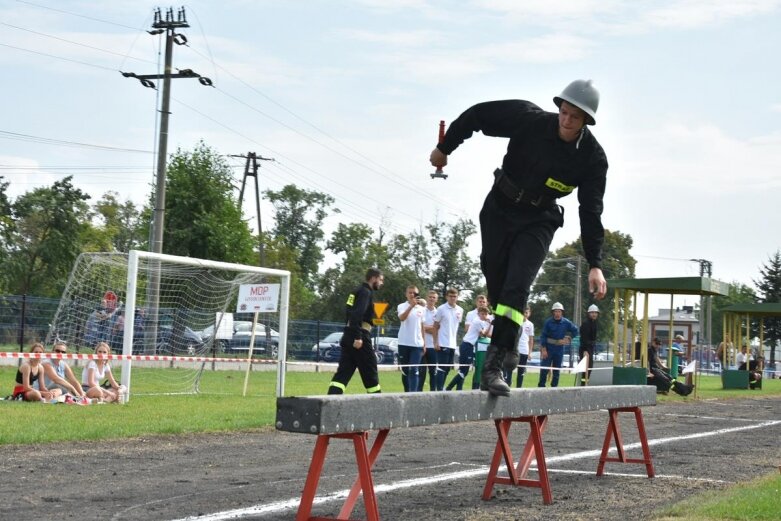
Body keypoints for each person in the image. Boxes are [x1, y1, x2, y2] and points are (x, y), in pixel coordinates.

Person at [429, 79, 608, 396]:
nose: (566, 122)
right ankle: (507, 341)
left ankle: (494, 367)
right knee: (495, 277)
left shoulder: (592, 158)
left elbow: (590, 212)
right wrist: (445, 149)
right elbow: (477, 116)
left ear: (586, 121)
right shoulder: (529, 119)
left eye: (574, 118)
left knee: (518, 284)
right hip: (499, 208)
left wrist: (595, 263)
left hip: (539, 220)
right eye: (564, 113)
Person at [327, 268, 384, 395]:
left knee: (342, 374)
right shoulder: (366, 292)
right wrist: (358, 337)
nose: (381, 283)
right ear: (373, 278)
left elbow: (349, 313)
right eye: (380, 280)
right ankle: (379, 406)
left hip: (348, 334)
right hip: (360, 336)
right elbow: (357, 315)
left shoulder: (355, 291)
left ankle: (331, 401)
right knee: (370, 370)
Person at [447, 306, 490, 390]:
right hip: (467, 346)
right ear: (478, 314)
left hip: (467, 345)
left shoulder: (481, 321)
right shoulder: (478, 321)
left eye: (486, 314)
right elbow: (483, 334)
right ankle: (448, 388)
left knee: (462, 370)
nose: (484, 316)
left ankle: (458, 390)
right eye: (482, 314)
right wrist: (490, 324)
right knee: (464, 371)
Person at [538, 302, 579, 388]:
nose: (557, 313)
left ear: (562, 312)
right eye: (555, 311)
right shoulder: (548, 322)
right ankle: (541, 387)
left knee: (557, 370)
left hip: (559, 349)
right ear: (553, 312)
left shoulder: (566, 322)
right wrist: (544, 349)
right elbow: (543, 336)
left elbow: (576, 331)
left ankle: (554, 388)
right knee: (544, 369)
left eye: (559, 311)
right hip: (548, 349)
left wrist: (569, 338)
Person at [396, 285, 427, 392]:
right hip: (404, 343)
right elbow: (402, 318)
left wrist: (424, 343)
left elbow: (422, 326)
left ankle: (413, 394)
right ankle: (407, 392)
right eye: (410, 292)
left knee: (414, 369)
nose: (412, 295)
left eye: (415, 293)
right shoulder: (401, 306)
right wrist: (411, 307)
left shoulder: (422, 309)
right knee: (405, 371)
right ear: (406, 294)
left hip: (417, 344)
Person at [433, 288, 464, 391]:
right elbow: (435, 326)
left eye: (454, 296)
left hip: (452, 344)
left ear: (457, 297)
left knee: (448, 368)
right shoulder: (441, 309)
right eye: (450, 296)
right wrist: (435, 342)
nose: (452, 298)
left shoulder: (460, 310)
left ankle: (442, 388)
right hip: (442, 342)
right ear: (447, 297)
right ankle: (439, 389)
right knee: (441, 368)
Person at [419, 290, 439, 391]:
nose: (431, 299)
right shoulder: (421, 310)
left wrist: (424, 327)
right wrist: (430, 328)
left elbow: (438, 329)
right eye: (430, 297)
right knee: (421, 372)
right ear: (427, 298)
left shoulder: (438, 313)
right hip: (422, 345)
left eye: (433, 297)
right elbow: (418, 326)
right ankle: (418, 394)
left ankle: (433, 393)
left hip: (433, 346)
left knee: (433, 372)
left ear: (436, 300)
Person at [513, 305, 534, 387]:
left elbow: (531, 339)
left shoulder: (530, 324)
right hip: (514, 350)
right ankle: (507, 385)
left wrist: (530, 352)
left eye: (526, 312)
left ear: (529, 313)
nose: (524, 314)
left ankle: (519, 388)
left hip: (524, 351)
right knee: (509, 369)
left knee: (521, 371)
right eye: (523, 312)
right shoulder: (515, 322)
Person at [578, 304, 600, 386]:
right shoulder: (586, 324)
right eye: (592, 312)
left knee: (589, 368)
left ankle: (585, 383)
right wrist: (585, 351)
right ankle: (583, 385)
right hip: (585, 349)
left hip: (590, 348)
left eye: (595, 312)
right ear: (589, 313)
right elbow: (584, 339)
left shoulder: (594, 323)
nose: (594, 314)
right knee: (586, 368)